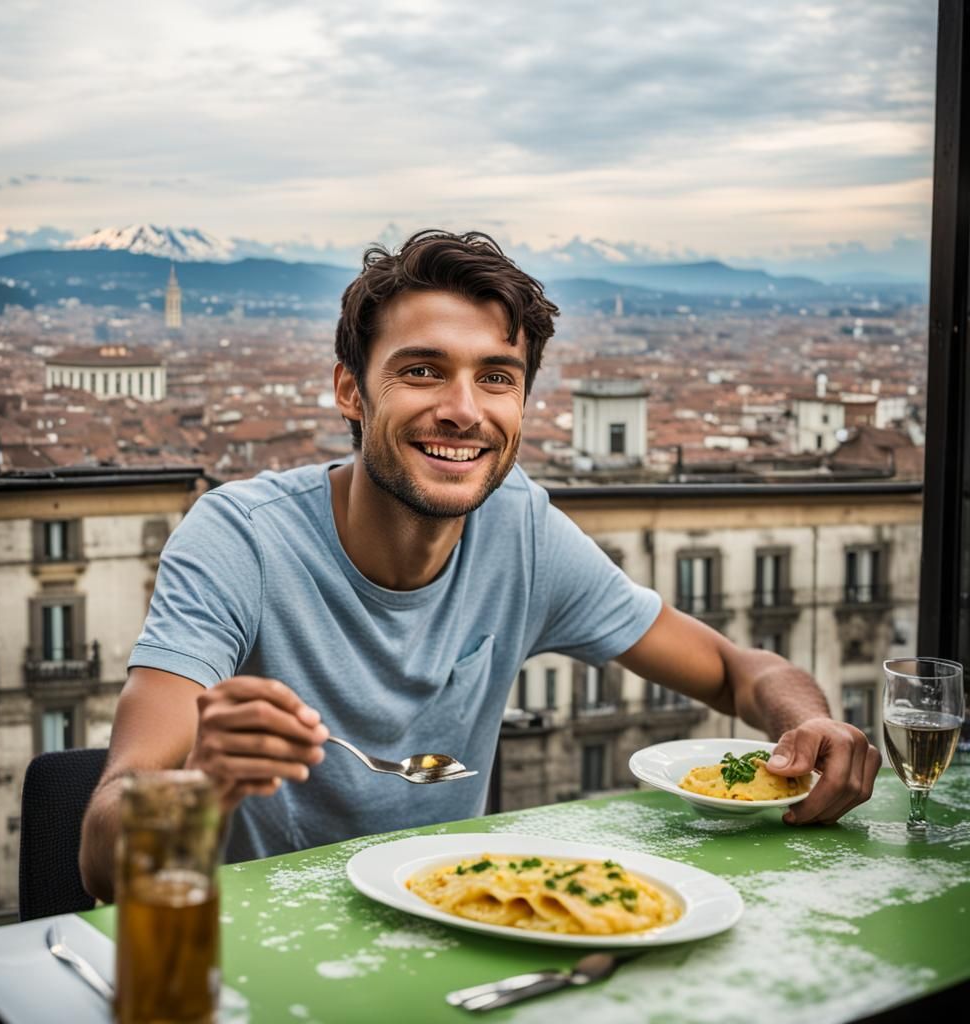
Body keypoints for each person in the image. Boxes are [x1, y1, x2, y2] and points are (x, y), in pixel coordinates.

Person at [80, 229, 880, 902]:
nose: (463, 409)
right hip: (252, 942)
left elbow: (739, 671)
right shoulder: (240, 540)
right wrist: (202, 791)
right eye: (422, 370)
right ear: (350, 392)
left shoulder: (520, 532)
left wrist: (805, 724)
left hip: (450, 924)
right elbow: (100, 854)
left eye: (496, 378)